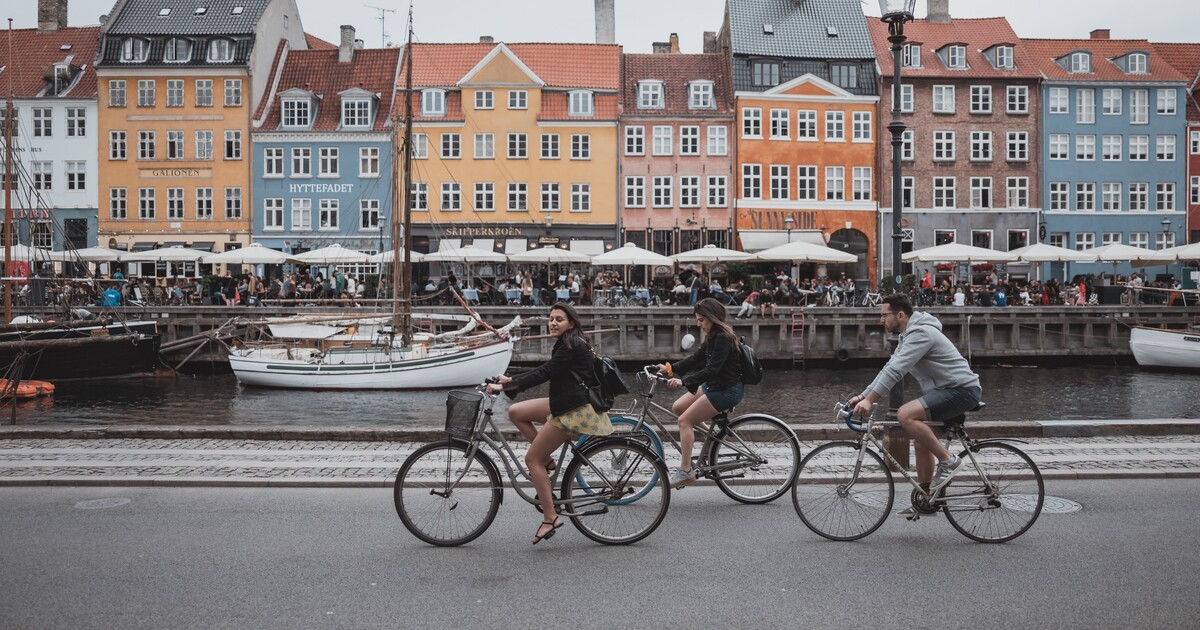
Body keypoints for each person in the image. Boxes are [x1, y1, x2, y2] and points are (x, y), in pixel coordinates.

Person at [486, 303, 612, 544]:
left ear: (571, 323)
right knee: (516, 411)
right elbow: (548, 371)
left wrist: (506, 385)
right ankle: (549, 461)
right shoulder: (569, 341)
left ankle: (550, 517)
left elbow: (545, 372)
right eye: (551, 318)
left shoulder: (570, 344)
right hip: (565, 401)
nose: (553, 322)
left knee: (531, 459)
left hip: (573, 410)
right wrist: (511, 380)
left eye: (559, 319)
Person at [848, 294, 981, 517]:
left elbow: (896, 371)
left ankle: (949, 462)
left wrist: (871, 400)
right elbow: (889, 367)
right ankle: (927, 499)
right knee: (921, 442)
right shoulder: (907, 336)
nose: (881, 320)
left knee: (905, 414)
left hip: (961, 390)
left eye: (884, 315)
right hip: (947, 391)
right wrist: (863, 395)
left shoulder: (921, 333)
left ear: (900, 315)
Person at [655, 298, 744, 487]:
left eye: (701, 320)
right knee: (678, 407)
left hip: (727, 390)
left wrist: (683, 381)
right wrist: (670, 368)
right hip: (715, 385)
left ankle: (685, 470)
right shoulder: (713, 336)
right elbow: (697, 358)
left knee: (684, 421)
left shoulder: (723, 338)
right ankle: (713, 438)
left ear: (712, 318)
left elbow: (712, 369)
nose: (698, 324)